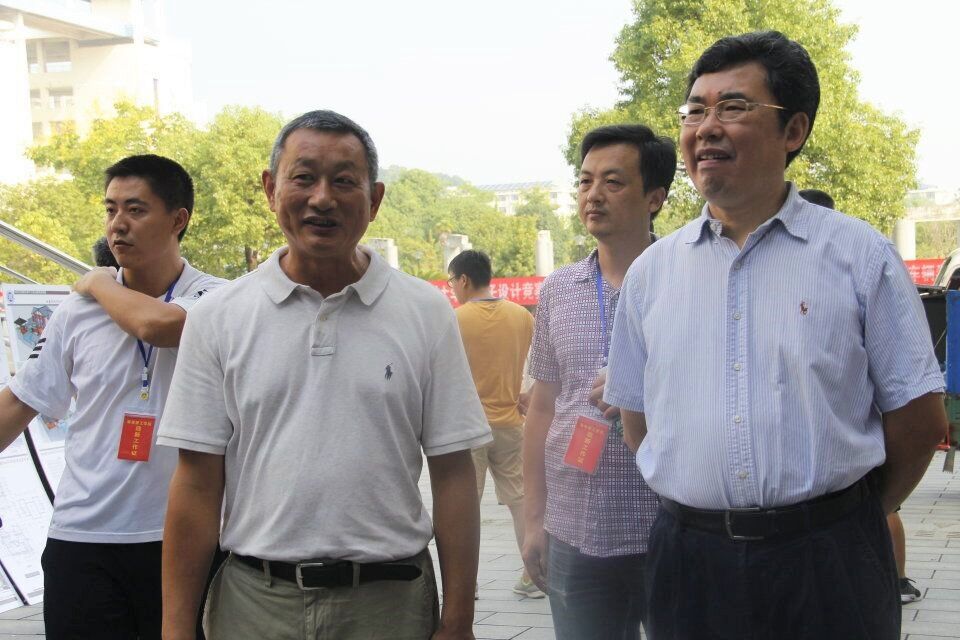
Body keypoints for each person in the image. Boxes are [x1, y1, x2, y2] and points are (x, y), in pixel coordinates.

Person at [605, 31, 947, 639]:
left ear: (793, 130)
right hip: (690, 565)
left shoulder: (860, 256)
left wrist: (846, 520)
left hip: (829, 562)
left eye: (733, 107)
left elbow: (918, 420)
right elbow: (638, 422)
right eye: (695, 111)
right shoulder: (653, 273)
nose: (706, 128)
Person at [157, 109, 491, 640]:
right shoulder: (218, 317)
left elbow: (453, 472)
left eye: (343, 181)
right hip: (254, 604)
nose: (322, 198)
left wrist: (458, 621)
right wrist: (175, 629)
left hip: (390, 604)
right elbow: (196, 482)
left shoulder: (426, 313)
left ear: (374, 199)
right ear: (271, 189)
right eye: (304, 177)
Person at [0, 154, 224, 639]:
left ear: (178, 220)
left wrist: (99, 284)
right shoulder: (75, 312)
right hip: (83, 538)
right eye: (110, 209)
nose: (117, 224)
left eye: (135, 210)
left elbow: (158, 325)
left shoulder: (218, 298)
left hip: (185, 538)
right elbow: (20, 401)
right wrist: (97, 289)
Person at [522, 124, 675, 639]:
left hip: (672, 525)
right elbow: (543, 407)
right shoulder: (559, 290)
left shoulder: (687, 281)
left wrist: (642, 389)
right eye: (585, 181)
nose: (593, 195)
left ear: (655, 197)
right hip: (575, 527)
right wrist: (534, 518)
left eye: (613, 181)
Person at [800, 186, 923, 605]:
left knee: (887, 513)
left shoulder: (858, 259)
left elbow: (920, 415)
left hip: (846, 498)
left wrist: (863, 509)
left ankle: (898, 579)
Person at [447, 249, 539, 598]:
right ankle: (532, 576)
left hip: (468, 428)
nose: (453, 288)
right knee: (521, 500)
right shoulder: (521, 316)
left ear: (464, 279)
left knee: (465, 506)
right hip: (511, 423)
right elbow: (538, 366)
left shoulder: (455, 320)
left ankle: (464, 586)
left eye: (453, 281)